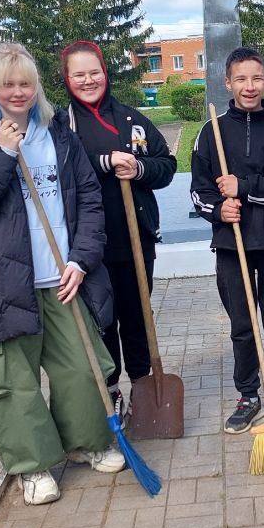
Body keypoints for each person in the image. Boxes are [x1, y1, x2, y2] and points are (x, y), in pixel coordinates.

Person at [0, 41, 125, 506]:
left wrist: (81, 260)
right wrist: (2, 156)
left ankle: (85, 443)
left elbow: (88, 199)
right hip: (4, 284)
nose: (18, 91)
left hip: (63, 276)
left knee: (82, 370)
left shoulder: (57, 134)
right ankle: (33, 466)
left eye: (25, 82)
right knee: (13, 381)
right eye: (8, 83)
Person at [60, 40, 175, 413]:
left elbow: (166, 165)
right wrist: (105, 161)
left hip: (135, 239)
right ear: (67, 79)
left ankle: (145, 389)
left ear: (105, 74)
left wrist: (140, 169)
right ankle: (110, 392)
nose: (89, 80)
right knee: (103, 322)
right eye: (79, 74)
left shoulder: (132, 120)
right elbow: (62, 171)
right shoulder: (62, 126)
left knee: (138, 318)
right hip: (91, 245)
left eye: (94, 72)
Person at [190, 47, 264, 432]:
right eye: (241, 79)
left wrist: (244, 188)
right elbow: (199, 190)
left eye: (256, 78)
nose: (249, 86)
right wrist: (219, 211)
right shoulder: (212, 131)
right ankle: (249, 394)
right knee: (242, 324)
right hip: (230, 246)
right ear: (227, 83)